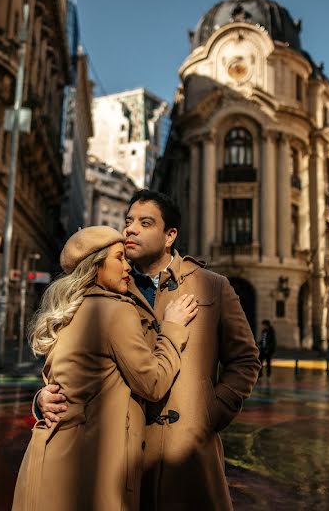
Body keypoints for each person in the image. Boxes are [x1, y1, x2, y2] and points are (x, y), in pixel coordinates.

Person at [38, 190, 260, 511]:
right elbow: (68, 355)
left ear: (170, 235)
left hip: (187, 458)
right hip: (118, 459)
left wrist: (208, 414)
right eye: (128, 221)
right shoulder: (108, 282)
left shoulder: (212, 285)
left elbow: (245, 361)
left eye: (145, 223)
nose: (130, 229)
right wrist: (43, 396)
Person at [12, 226, 197, 511]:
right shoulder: (116, 311)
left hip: (47, 463)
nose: (127, 266)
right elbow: (154, 383)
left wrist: (40, 401)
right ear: (95, 266)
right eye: (119, 258)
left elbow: (61, 384)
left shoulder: (68, 311)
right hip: (90, 475)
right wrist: (172, 327)